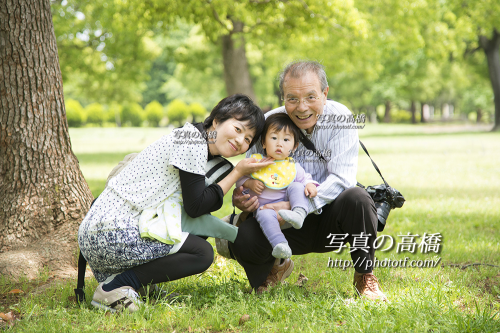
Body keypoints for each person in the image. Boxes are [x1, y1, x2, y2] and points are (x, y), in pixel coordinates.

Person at [78, 94, 274, 312]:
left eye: (248, 139)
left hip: (104, 230)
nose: (240, 141)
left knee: (194, 238)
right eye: (238, 129)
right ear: (217, 120)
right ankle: (112, 289)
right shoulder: (192, 141)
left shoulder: (192, 139)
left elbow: (193, 212)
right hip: (110, 231)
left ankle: (136, 285)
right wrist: (237, 172)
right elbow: (196, 206)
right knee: (201, 253)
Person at [231, 61, 387, 301]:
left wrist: (298, 206)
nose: (302, 108)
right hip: (280, 222)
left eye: (311, 97)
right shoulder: (267, 124)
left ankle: (365, 276)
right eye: (292, 98)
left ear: (325, 93)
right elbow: (249, 173)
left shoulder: (341, 119)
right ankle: (273, 268)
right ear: (282, 97)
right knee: (244, 235)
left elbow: (343, 179)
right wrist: (243, 196)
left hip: (329, 217)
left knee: (357, 198)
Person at [235, 113, 319, 259]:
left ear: (294, 146)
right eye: (274, 138)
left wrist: (310, 185)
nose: (279, 143)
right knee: (264, 215)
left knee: (297, 187)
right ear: (263, 142)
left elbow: (305, 178)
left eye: (286, 140)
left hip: (287, 206)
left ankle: (299, 214)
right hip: (264, 208)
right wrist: (250, 183)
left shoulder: (292, 166)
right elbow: (239, 179)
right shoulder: (256, 163)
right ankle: (280, 245)